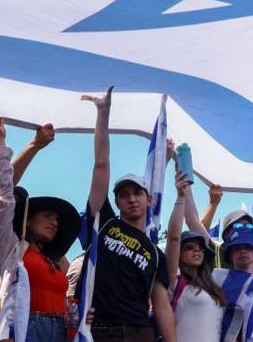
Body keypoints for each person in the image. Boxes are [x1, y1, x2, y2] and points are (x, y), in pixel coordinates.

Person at [80, 87, 176, 342]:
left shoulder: (156, 254)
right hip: (100, 330)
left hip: (140, 332)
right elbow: (101, 164)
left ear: (149, 200)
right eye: (124, 194)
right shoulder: (104, 223)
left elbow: (162, 305)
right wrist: (103, 112)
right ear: (117, 201)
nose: (132, 198)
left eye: (137, 193)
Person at [0, 108, 80, 342]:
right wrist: (1, 143)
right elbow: (2, 197)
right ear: (26, 219)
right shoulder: (9, 247)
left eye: (57, 220)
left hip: (59, 333)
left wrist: (77, 318)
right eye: (47, 215)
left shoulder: (56, 261)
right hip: (23, 330)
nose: (54, 222)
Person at [166, 172, 226, 342]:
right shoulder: (175, 282)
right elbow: (174, 238)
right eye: (189, 247)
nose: (197, 250)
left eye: (200, 248)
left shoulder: (213, 284)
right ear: (178, 252)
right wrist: (181, 196)